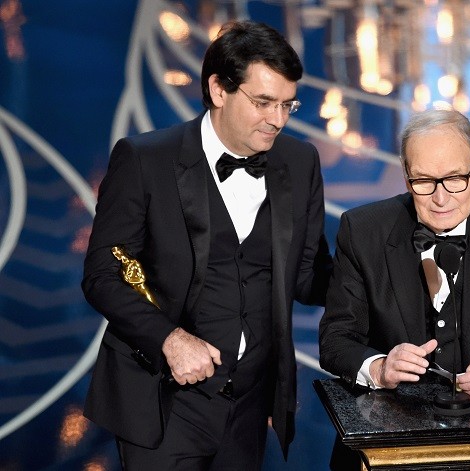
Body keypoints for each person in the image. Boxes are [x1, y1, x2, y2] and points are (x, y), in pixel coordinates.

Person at [82, 20, 331, 470]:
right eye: (263, 103)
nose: (277, 119)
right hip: (163, 401)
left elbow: (309, 276)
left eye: (287, 105)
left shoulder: (300, 161)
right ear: (219, 89)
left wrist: (389, 264)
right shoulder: (144, 159)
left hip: (251, 406)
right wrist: (170, 340)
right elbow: (102, 274)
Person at [318, 108, 470, 469]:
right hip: (391, 445)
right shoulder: (362, 230)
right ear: (406, 176)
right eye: (423, 180)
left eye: (454, 179)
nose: (440, 198)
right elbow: (335, 340)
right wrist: (379, 368)